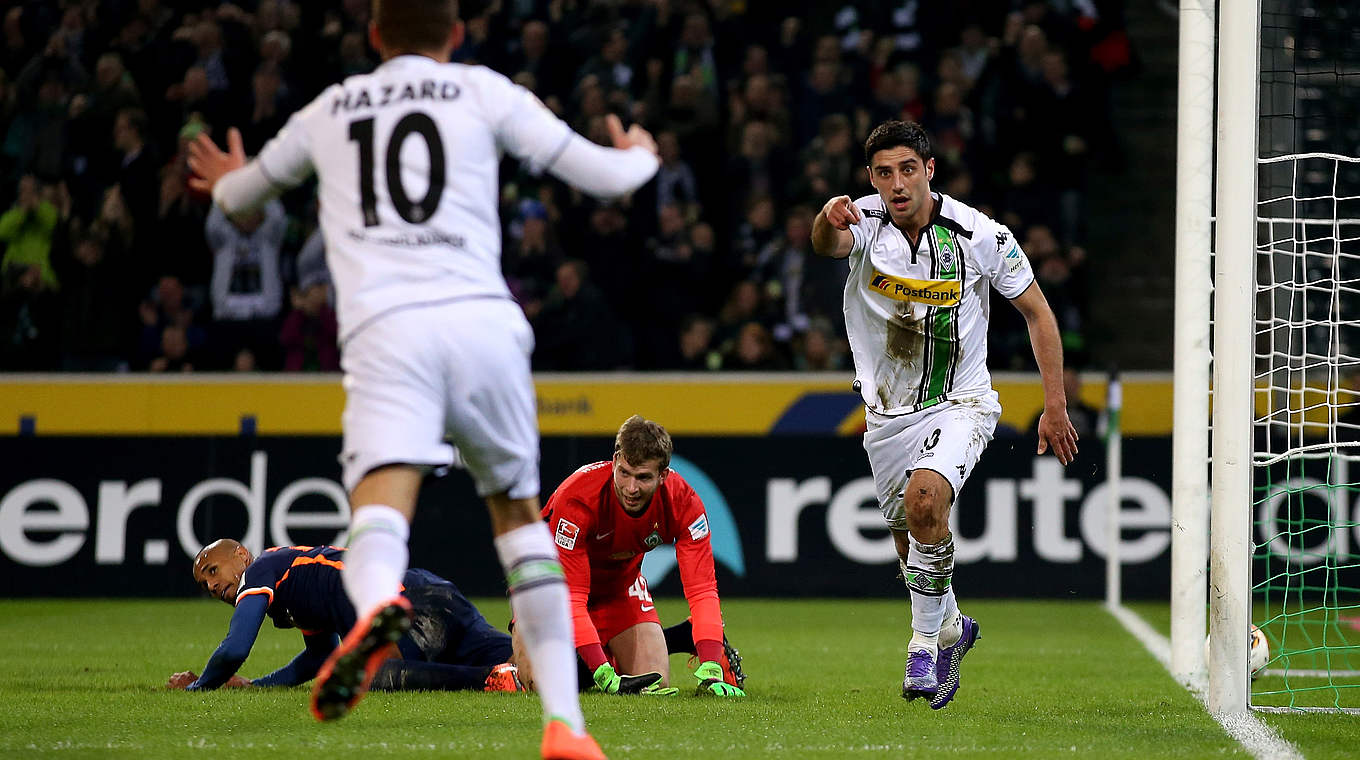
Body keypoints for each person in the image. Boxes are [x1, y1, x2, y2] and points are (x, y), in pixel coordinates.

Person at [186, 2, 659, 757]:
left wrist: (226, 178)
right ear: (457, 32)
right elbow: (605, 175)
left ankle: (376, 610)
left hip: (386, 332)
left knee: (380, 509)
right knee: (518, 520)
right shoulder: (482, 89)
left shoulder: (330, 108)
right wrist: (639, 153)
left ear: (374, 36)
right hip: (484, 325)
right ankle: (565, 724)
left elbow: (238, 199)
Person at [810, 120, 1078, 710]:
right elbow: (825, 246)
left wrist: (1053, 404)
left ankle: (924, 645)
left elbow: (1037, 312)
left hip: (962, 402)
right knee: (911, 540)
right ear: (871, 179)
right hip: (886, 415)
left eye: (908, 169)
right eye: (884, 173)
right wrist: (825, 220)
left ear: (930, 170)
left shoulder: (980, 235)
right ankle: (954, 625)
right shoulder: (861, 221)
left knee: (926, 500)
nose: (896, 184)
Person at [542, 415, 746, 699]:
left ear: (663, 476)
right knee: (542, 683)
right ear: (614, 461)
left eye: (643, 477)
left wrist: (711, 663)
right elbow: (572, 597)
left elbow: (702, 591)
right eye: (624, 473)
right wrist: (603, 674)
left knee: (654, 682)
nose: (631, 488)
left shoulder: (683, 502)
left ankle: (688, 637)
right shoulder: (577, 499)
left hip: (617, 590)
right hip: (550, 589)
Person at [167, 539, 527, 694]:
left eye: (214, 571)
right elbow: (319, 657)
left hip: (409, 603)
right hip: (437, 597)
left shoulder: (261, 570)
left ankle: (488, 680)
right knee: (530, 665)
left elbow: (235, 648)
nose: (212, 586)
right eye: (204, 584)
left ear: (242, 556)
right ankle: (569, 664)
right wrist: (255, 686)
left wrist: (200, 687)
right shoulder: (294, 583)